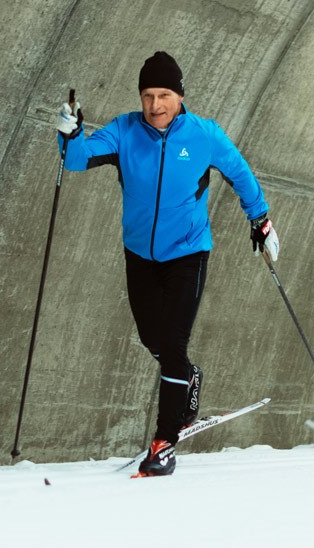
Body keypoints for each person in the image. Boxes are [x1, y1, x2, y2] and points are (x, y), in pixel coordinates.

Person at [54, 51, 279, 477]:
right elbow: (77, 158)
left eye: (163, 95)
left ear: (179, 96)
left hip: (188, 254)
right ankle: (187, 378)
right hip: (139, 254)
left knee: (172, 345)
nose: (155, 105)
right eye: (147, 95)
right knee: (152, 340)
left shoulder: (204, 135)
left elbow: (240, 172)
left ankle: (164, 443)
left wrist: (261, 219)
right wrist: (69, 133)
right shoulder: (124, 131)